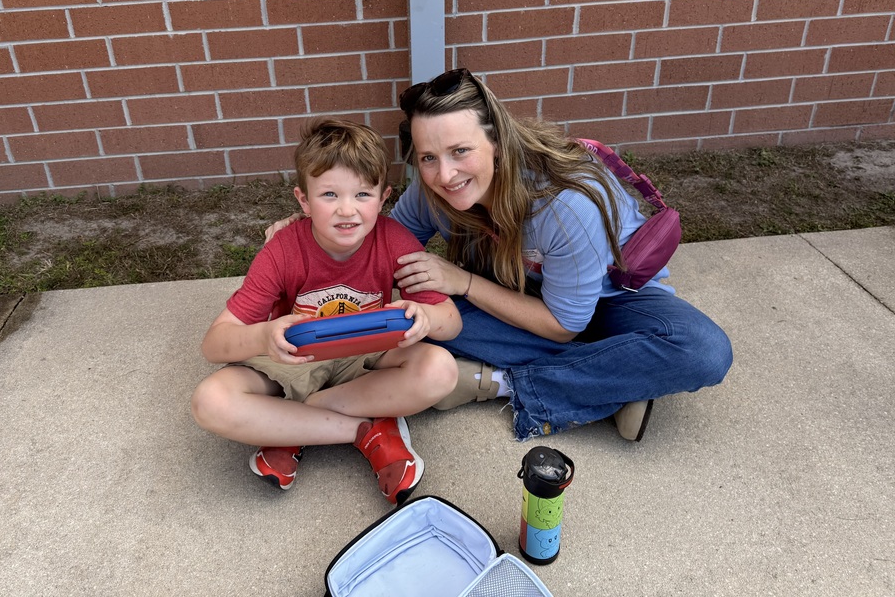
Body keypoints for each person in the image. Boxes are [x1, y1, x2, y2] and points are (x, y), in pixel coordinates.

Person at [268, 69, 733, 443]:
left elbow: (563, 324)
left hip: (611, 302)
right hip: (517, 297)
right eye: (427, 158)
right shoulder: (432, 189)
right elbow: (378, 247)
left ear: (497, 141)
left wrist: (463, 282)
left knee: (703, 350)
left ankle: (510, 383)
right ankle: (620, 378)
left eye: (460, 151)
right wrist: (308, 236)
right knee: (416, 324)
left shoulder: (565, 203)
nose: (444, 174)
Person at [191, 118, 461, 504]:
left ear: (384, 198)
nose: (346, 211)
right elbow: (214, 344)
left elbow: (451, 322)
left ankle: (289, 426)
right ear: (303, 200)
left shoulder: (394, 240)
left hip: (366, 356)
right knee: (211, 400)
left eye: (362, 195)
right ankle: (366, 431)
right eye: (329, 195)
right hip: (295, 361)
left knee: (440, 368)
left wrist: (426, 318)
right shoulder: (283, 249)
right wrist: (263, 336)